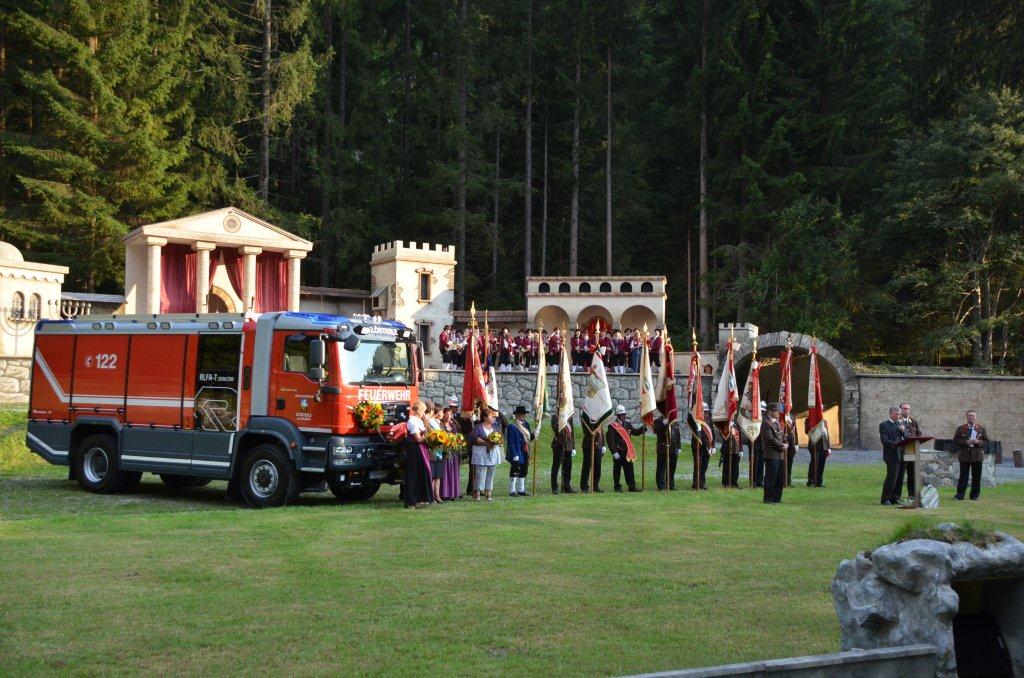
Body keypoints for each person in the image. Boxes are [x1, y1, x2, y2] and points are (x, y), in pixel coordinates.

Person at [953, 410, 989, 501]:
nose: (971, 417)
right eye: (969, 415)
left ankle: (974, 496)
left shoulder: (981, 428)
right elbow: (956, 440)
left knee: (976, 477)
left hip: (977, 456)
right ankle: (960, 495)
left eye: (973, 415)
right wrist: (966, 442)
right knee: (963, 477)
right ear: (966, 417)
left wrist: (978, 442)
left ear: (975, 417)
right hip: (964, 456)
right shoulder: (960, 428)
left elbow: (986, 441)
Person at [607, 404, 644, 492]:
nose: (623, 416)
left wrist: (644, 428)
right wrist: (614, 452)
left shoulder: (627, 424)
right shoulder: (612, 426)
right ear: (617, 415)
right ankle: (617, 487)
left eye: (624, 414)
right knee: (617, 470)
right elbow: (610, 440)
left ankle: (632, 486)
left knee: (629, 469)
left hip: (627, 451)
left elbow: (636, 432)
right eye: (621, 414)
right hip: (618, 451)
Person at [403, 401, 432, 509]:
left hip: (420, 450)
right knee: (413, 475)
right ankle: (410, 501)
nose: (424, 413)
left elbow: (425, 431)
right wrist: (428, 437)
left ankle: (419, 499)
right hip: (414, 449)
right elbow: (418, 438)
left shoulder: (419, 420)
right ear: (418, 410)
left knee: (420, 473)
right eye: (423, 411)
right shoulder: (412, 420)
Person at [469, 407, 503, 501]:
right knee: (480, 474)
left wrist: (497, 441)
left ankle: (489, 494)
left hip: (492, 454)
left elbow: (500, 437)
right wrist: (486, 442)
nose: (492, 418)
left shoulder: (495, 427)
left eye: (492, 416)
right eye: (490, 416)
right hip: (481, 454)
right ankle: (478, 494)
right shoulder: (478, 427)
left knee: (491, 474)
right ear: (484, 417)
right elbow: (474, 438)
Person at [760, 403, 787, 504]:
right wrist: (781, 446)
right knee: (771, 477)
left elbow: (782, 435)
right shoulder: (766, 423)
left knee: (779, 478)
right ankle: (768, 498)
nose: (778, 413)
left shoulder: (777, 422)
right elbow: (770, 438)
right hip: (771, 454)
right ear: (770, 411)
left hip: (780, 455)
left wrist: (786, 442)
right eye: (776, 411)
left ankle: (777, 497)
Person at [505, 405, 534, 496]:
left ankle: (521, 490)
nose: (523, 416)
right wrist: (514, 454)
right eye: (521, 414)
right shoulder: (512, 426)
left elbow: (528, 438)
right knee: (515, 470)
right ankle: (512, 491)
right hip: (516, 451)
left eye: (524, 414)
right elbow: (510, 442)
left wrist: (534, 435)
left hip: (525, 451)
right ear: (517, 415)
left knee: (524, 470)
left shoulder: (526, 424)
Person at [879, 406, 905, 505]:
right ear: (890, 414)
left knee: (900, 477)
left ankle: (896, 497)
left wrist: (903, 431)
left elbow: (906, 437)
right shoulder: (884, 425)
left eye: (899, 414)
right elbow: (884, 440)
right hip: (891, 455)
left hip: (901, 454)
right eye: (896, 414)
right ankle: (886, 499)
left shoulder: (900, 424)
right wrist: (896, 444)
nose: (898, 416)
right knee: (892, 477)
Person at [897, 403, 922, 500]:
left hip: (912, 451)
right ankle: (896, 496)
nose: (907, 411)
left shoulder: (913, 421)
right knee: (900, 475)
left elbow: (919, 434)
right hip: (902, 452)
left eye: (908, 409)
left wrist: (917, 440)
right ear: (900, 410)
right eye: (904, 409)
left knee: (912, 475)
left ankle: (912, 495)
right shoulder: (897, 421)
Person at [440, 405, 463, 500]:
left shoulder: (453, 425)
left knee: (453, 471)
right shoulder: (440, 425)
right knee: (446, 471)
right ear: (443, 415)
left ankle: (453, 493)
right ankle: (445, 493)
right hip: (445, 451)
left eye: (451, 414)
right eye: (447, 414)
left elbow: (456, 436)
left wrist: (458, 440)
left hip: (454, 451)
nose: (449, 416)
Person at [551, 413, 576, 493]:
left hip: (568, 444)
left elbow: (572, 433)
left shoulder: (569, 418)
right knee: (556, 466)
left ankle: (567, 485)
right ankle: (554, 487)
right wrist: (562, 420)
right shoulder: (555, 417)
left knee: (568, 466)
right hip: (558, 444)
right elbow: (556, 429)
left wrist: (573, 447)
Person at [653, 414, 680, 490]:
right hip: (663, 449)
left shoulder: (674, 421)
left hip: (673, 448)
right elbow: (655, 430)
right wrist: (663, 423)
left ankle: (670, 484)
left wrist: (679, 446)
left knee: (672, 468)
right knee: (661, 468)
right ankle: (661, 485)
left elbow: (677, 435)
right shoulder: (658, 421)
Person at [691, 406, 714, 490]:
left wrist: (713, 446)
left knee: (704, 467)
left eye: (707, 412)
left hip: (707, 448)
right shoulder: (696, 421)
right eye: (705, 412)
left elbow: (712, 434)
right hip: (698, 447)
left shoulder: (709, 421)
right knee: (698, 466)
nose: (706, 414)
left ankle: (702, 483)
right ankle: (696, 484)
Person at [580, 422, 606, 493]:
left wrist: (603, 444)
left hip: (598, 445)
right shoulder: (586, 418)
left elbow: (601, 431)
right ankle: (584, 486)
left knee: (597, 466)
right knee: (587, 466)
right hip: (588, 444)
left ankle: (595, 485)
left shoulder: (598, 419)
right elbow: (587, 431)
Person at [806, 419, 830, 488]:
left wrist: (828, 447)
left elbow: (827, 434)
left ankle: (819, 481)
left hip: (824, 446)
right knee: (814, 463)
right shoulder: (810, 419)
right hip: (815, 445)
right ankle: (811, 481)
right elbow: (807, 431)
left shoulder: (824, 421)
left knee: (821, 464)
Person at [719, 421, 742, 488]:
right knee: (726, 467)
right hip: (727, 448)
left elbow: (739, 437)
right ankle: (726, 483)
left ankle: (734, 483)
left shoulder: (736, 424)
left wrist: (741, 449)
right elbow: (721, 434)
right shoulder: (725, 423)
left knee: (735, 468)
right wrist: (728, 427)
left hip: (736, 449)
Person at [751, 400, 767, 487]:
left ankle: (760, 481)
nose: (762, 412)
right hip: (755, 442)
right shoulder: (754, 418)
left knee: (761, 463)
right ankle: (754, 480)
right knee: (755, 463)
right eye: (761, 410)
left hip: (763, 444)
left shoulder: (765, 419)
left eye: (763, 411)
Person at [784, 414, 797, 487]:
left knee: (790, 463)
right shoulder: (782, 415)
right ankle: (783, 480)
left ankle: (788, 480)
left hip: (792, 444)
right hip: (784, 442)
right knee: (783, 463)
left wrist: (796, 443)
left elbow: (795, 431)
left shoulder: (792, 416)